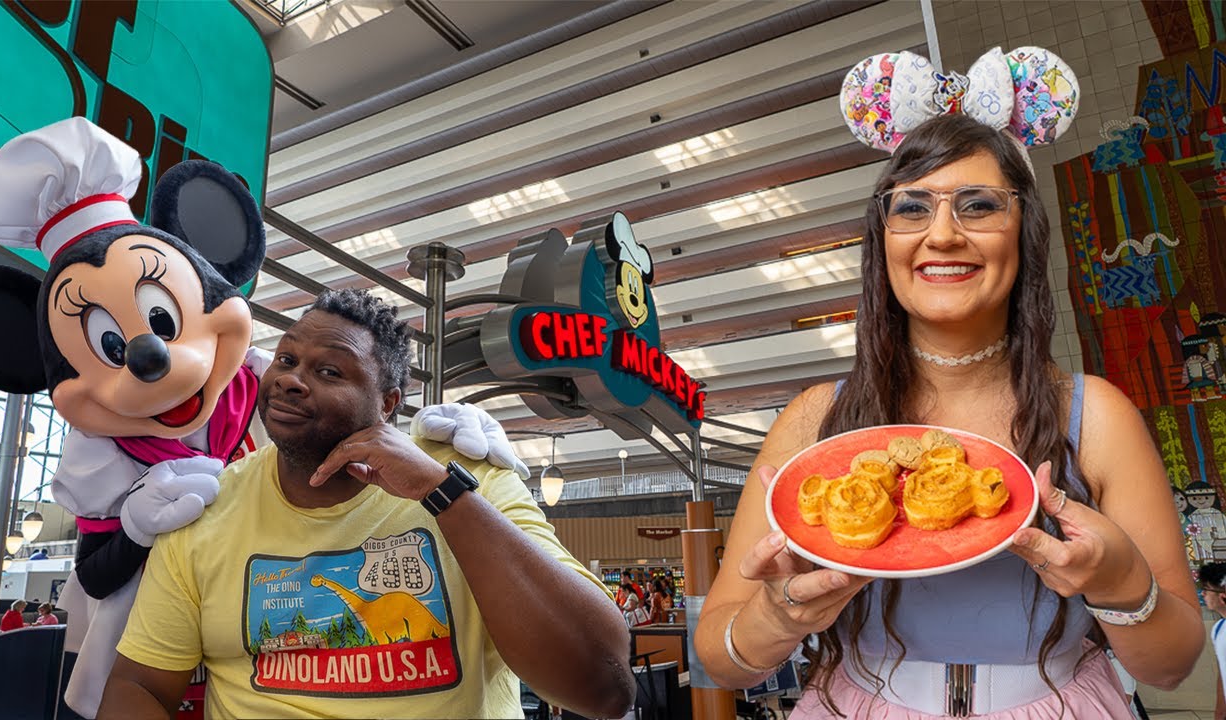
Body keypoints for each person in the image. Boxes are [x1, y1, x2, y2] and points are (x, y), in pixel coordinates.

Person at [693, 65, 1203, 716]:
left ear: (1025, 229)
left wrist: (1122, 583)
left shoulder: (1095, 416)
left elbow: (1175, 664)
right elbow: (717, 656)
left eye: (979, 205)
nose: (942, 234)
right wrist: (777, 615)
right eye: (912, 207)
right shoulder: (815, 419)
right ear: (883, 238)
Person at [100, 289, 634, 719]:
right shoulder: (211, 511)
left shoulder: (469, 477)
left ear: (388, 404)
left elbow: (604, 687)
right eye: (286, 359)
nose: (290, 379)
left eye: (329, 371)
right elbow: (138, 684)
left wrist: (442, 493)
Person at [1201, 562, 1226, 720]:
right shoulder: (1218, 630)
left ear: (1222, 597)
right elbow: (1221, 675)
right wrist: (1219, 713)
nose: (1203, 594)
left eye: (1206, 590)